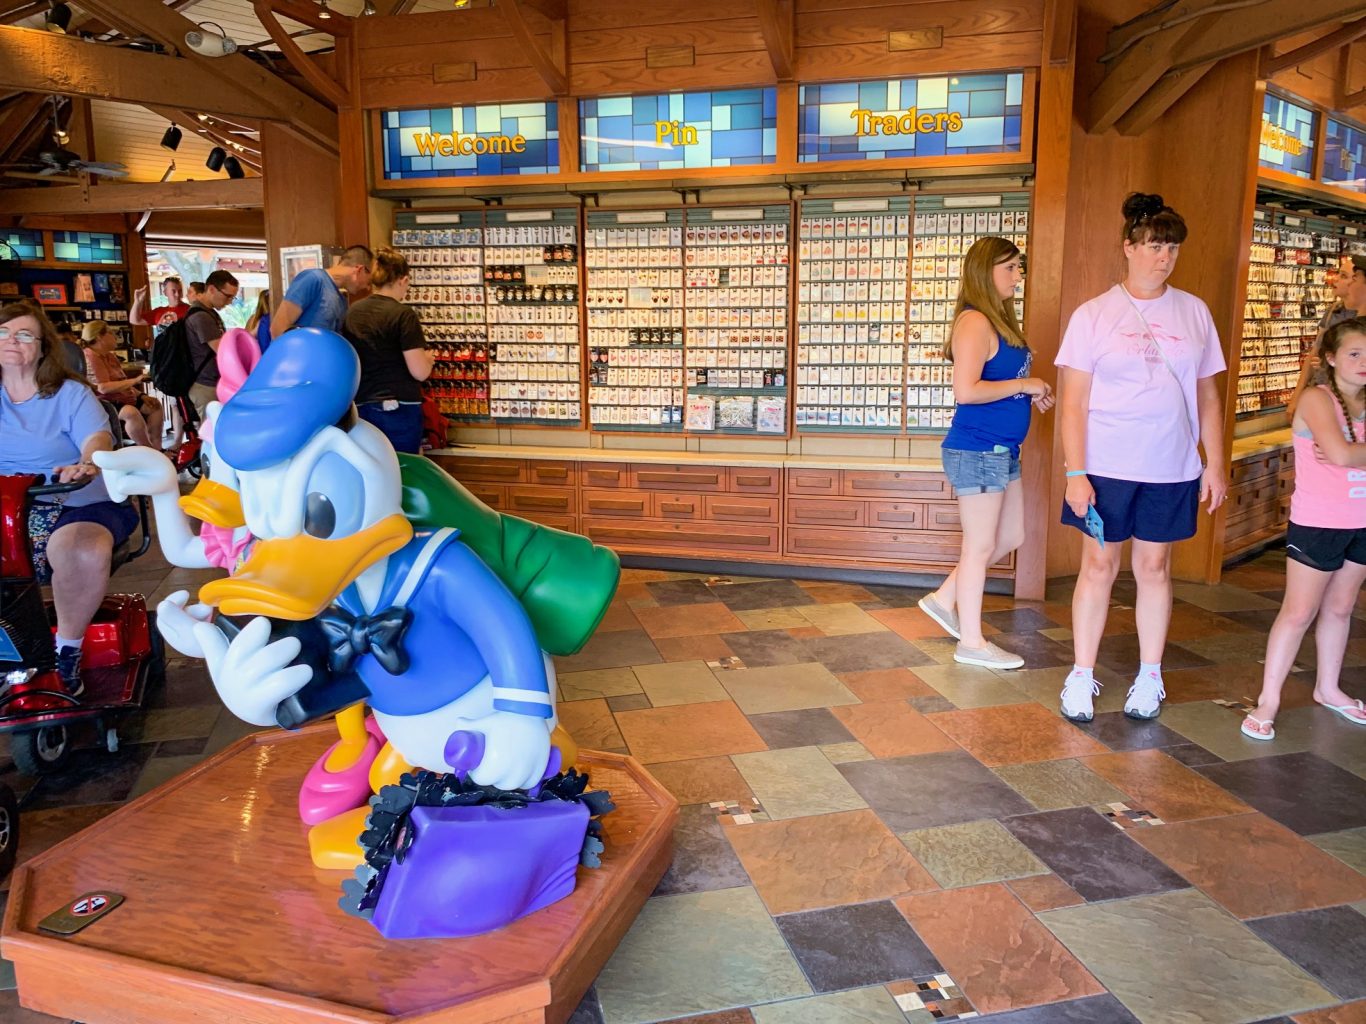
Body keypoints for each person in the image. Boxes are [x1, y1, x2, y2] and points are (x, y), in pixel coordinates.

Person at [1055, 192, 1229, 723]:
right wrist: (1075, 472)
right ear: (1128, 247)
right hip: (1105, 466)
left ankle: (1149, 675)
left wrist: (1215, 463)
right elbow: (1075, 401)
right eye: (1154, 245)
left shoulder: (1194, 311)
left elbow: (1207, 395)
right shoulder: (1094, 314)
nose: (1164, 257)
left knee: (1154, 567)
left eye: (1172, 248)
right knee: (1099, 565)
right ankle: (1081, 675)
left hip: (1170, 465)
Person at [917, 237, 1053, 668]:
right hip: (977, 450)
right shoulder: (974, 322)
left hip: (1002, 450)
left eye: (1019, 267)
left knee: (1011, 537)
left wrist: (1030, 394)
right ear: (985, 271)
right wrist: (1022, 386)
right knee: (978, 546)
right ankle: (971, 643)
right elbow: (966, 390)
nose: (1019, 276)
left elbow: (1000, 381)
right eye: (1010, 268)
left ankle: (944, 598)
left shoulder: (999, 320)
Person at [0, 302, 138, 696]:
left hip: (71, 496)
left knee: (80, 550)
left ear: (42, 347)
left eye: (25, 334)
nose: (13, 341)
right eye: (5, 333)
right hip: (10, 505)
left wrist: (86, 462)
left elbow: (97, 438)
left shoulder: (69, 393)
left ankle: (68, 650)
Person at [1243, 317, 1366, 739]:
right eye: (1354, 353)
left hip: (1361, 521)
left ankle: (1328, 687)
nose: (1363, 362)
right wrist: (1347, 453)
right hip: (1319, 522)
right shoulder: (1318, 398)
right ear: (1331, 358)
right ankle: (1269, 699)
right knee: (1298, 611)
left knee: (1341, 607)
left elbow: (1349, 455)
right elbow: (1340, 454)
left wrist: (1352, 452)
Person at [341, 247, 434, 454]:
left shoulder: (352, 312)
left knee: (374, 472)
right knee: (403, 470)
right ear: (403, 280)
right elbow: (419, 371)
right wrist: (427, 360)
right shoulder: (402, 315)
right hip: (399, 407)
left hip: (362, 406)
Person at [1288, 255, 1359, 418]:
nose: (1335, 280)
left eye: (1343, 276)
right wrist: (1296, 397)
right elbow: (1313, 355)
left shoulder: (1360, 320)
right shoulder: (1332, 312)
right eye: (1339, 274)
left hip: (1348, 403)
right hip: (1322, 396)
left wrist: (1331, 363)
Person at [81, 319, 164, 449]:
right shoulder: (91, 356)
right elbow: (103, 388)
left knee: (154, 405)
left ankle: (158, 448)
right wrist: (136, 380)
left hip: (123, 398)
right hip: (105, 403)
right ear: (99, 337)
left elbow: (121, 383)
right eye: (111, 333)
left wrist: (142, 396)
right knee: (131, 413)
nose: (115, 337)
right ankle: (148, 449)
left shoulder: (110, 356)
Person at [272, 245, 373, 337]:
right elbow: (278, 328)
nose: (367, 287)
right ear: (360, 270)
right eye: (369, 282)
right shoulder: (313, 279)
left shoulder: (342, 301)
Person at [185, 270, 240, 421]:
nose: (229, 301)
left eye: (232, 297)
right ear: (211, 289)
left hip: (211, 383)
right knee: (212, 436)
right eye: (227, 296)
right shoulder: (201, 316)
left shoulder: (209, 313)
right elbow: (222, 351)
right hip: (206, 385)